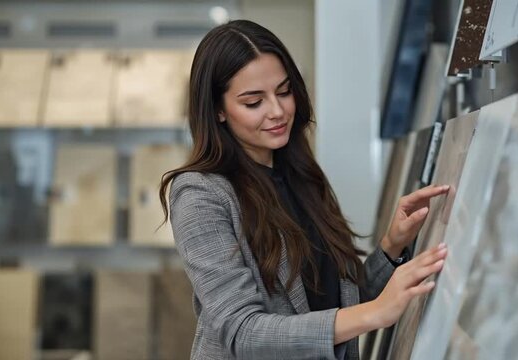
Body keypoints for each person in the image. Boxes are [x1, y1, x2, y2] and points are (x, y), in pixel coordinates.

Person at [159, 19, 449, 360]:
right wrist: (376, 313)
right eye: (254, 102)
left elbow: (337, 304)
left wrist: (391, 247)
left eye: (284, 91)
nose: (278, 111)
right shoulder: (199, 195)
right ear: (218, 110)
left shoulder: (301, 176)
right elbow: (242, 331)